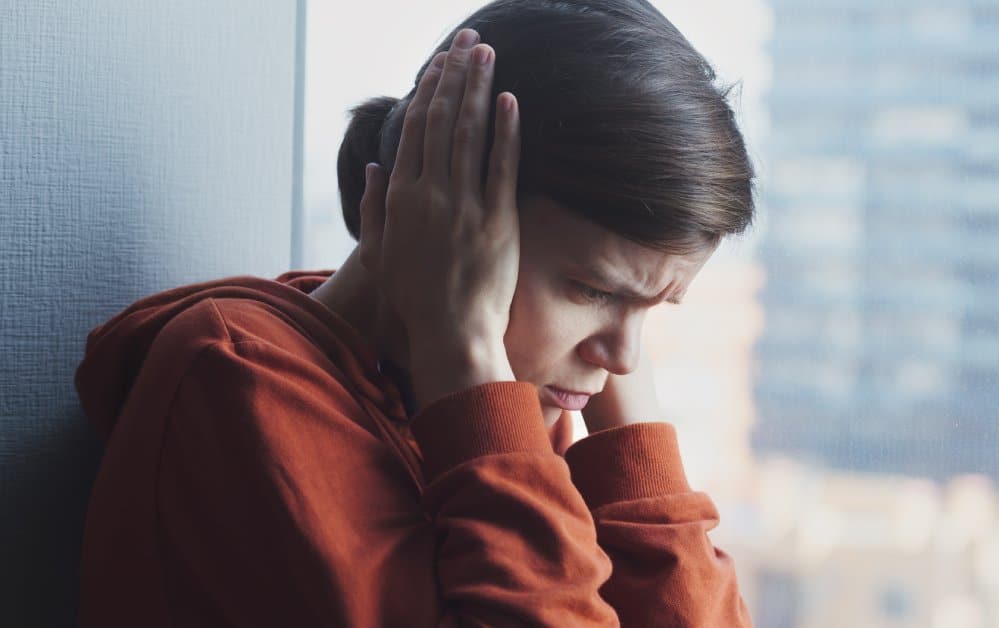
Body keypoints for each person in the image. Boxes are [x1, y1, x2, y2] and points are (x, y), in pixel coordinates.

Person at [74, 0, 756, 625]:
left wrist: (630, 446)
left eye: (658, 307)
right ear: (444, 220)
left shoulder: (510, 399)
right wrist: (465, 358)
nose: (623, 359)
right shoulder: (237, 382)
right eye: (590, 290)